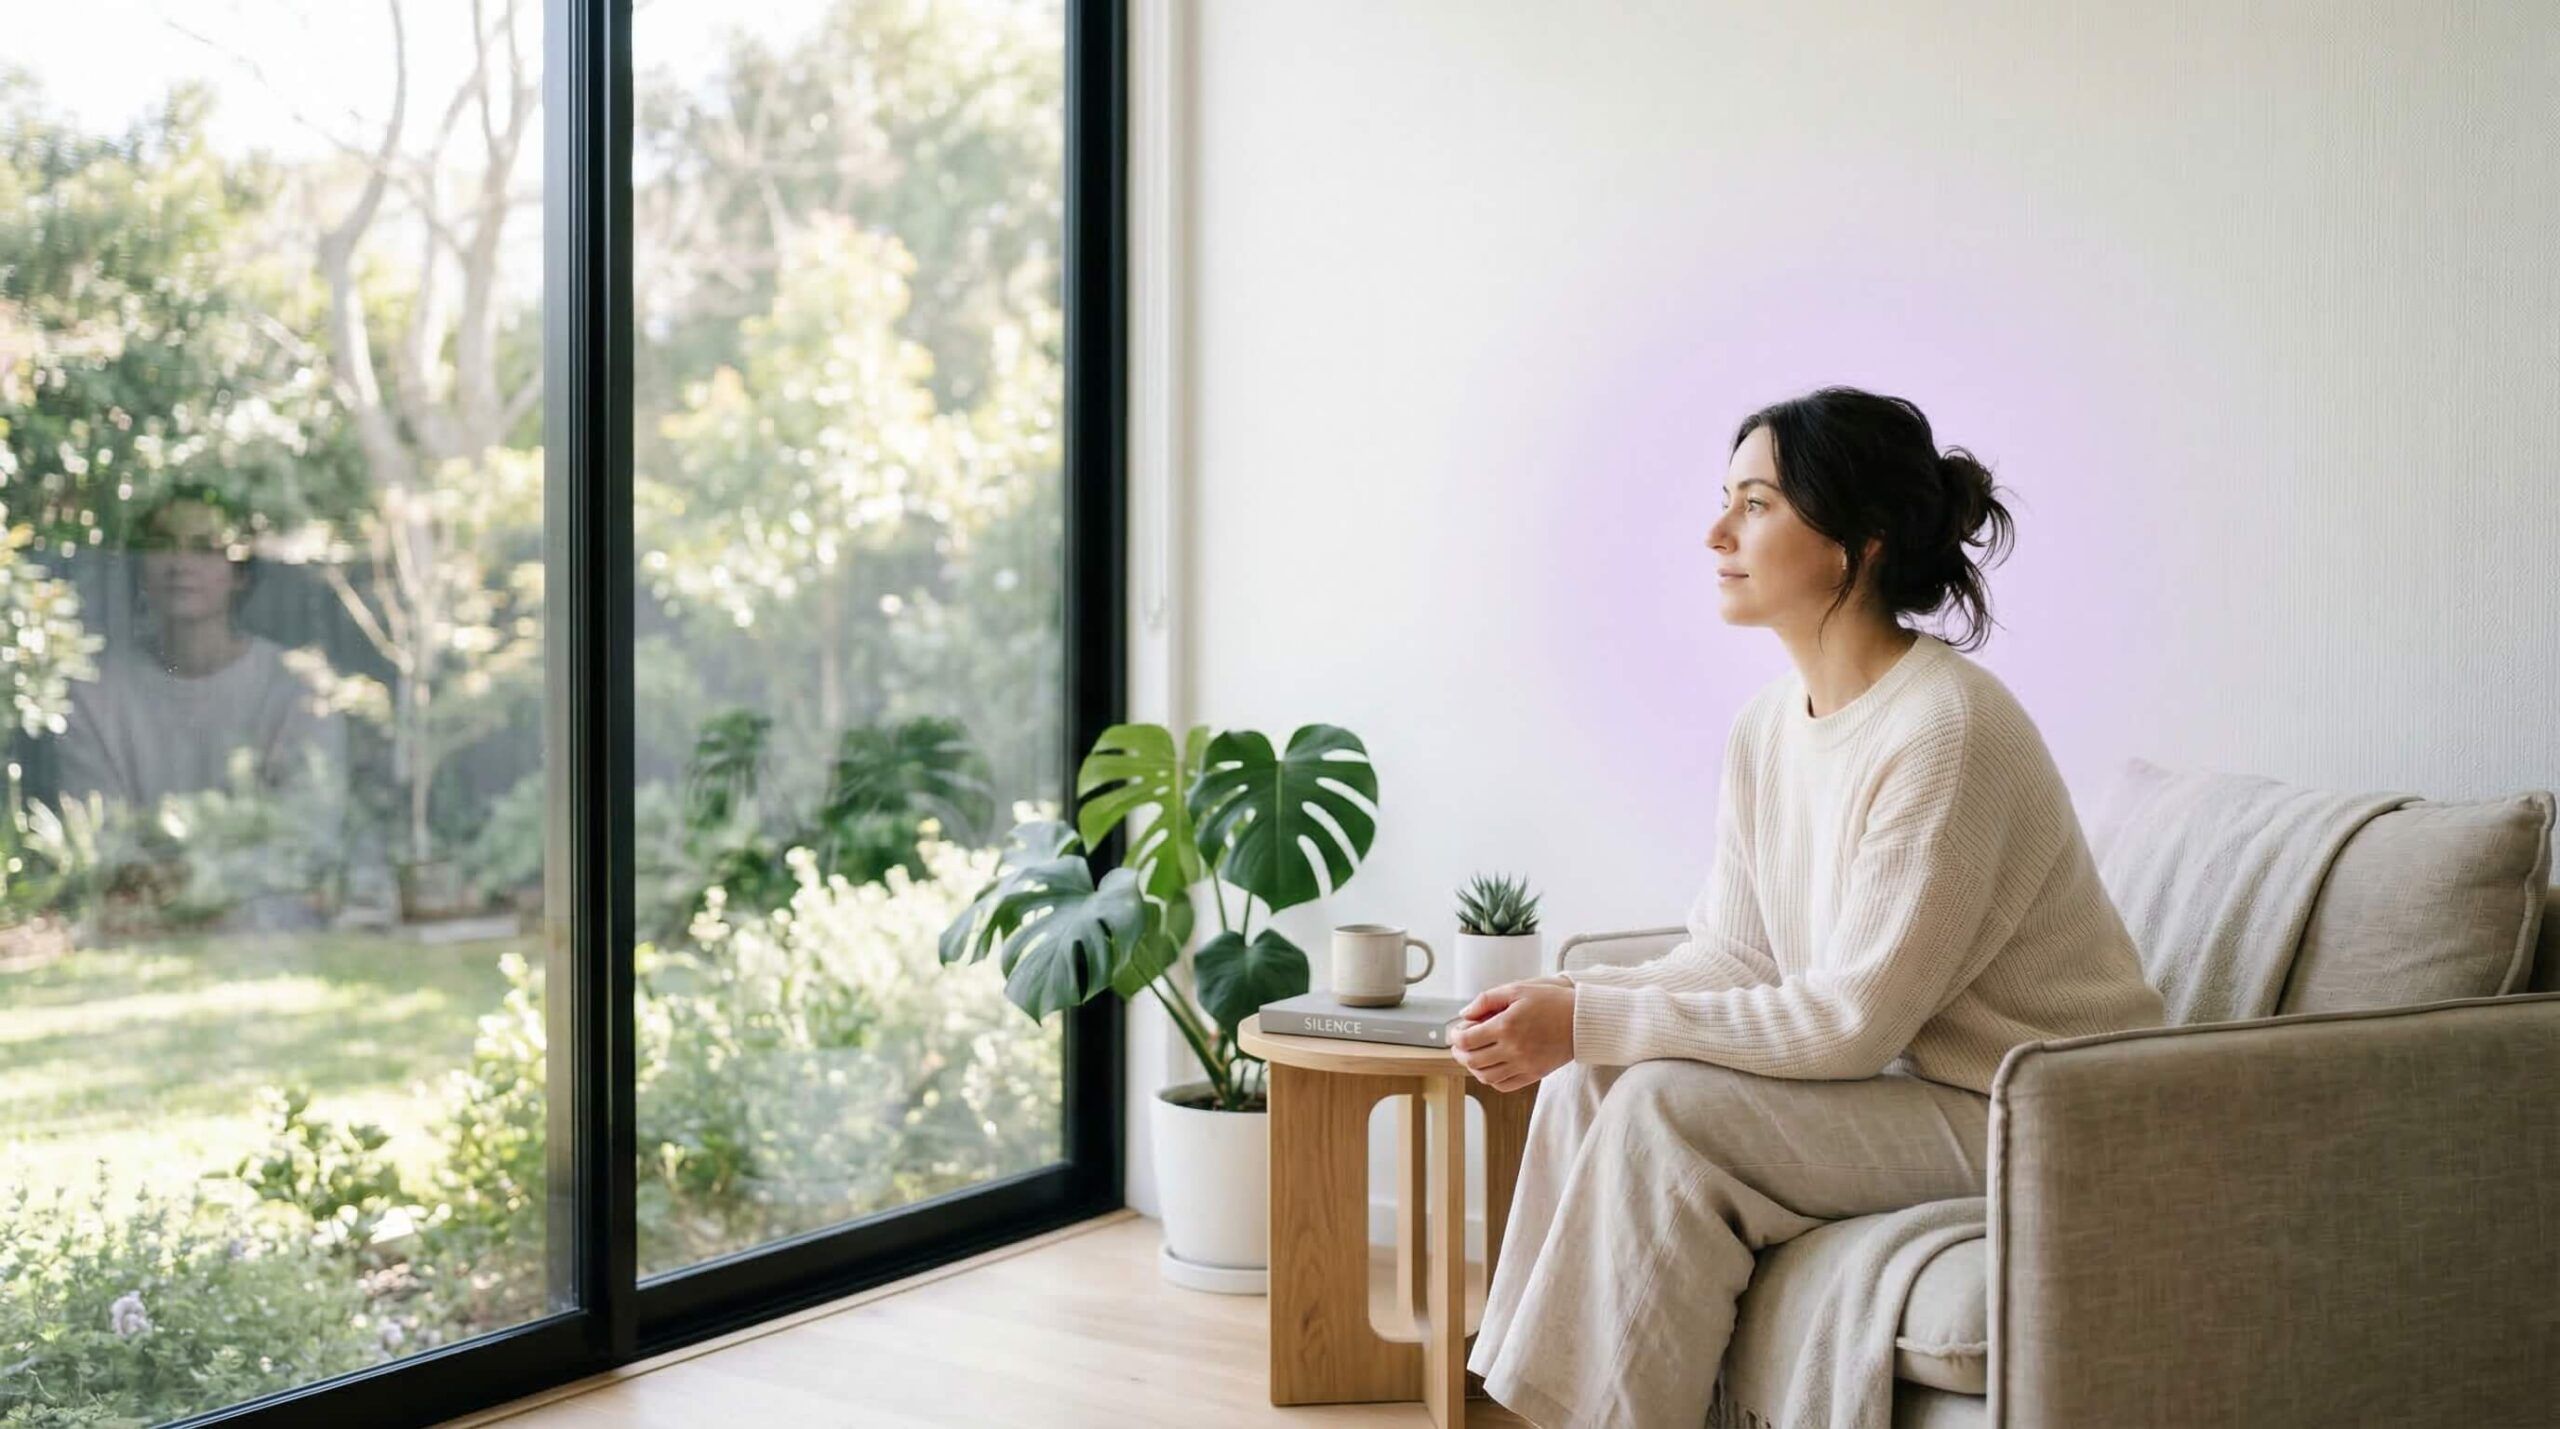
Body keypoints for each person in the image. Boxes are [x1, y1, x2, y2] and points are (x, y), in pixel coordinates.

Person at [1452, 385, 2167, 1428]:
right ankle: (1538, 1411)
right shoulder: (1766, 728)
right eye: (1725, 499)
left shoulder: (1944, 730)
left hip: (2043, 1110)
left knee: (1661, 1108)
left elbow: (1845, 1021)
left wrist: (1593, 1015)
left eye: (1755, 503)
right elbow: (1734, 953)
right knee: (1586, 1084)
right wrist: (1574, 1001)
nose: (1716, 532)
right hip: (1923, 1092)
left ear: (1856, 542)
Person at [56, 483, 348, 928]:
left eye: (205, 548)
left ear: (241, 572)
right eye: (161, 545)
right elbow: (93, 836)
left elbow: (309, 834)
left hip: (268, 928)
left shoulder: (298, 687)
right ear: (140, 568)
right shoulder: (93, 692)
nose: (180, 564)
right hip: (132, 926)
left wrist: (203, 878)